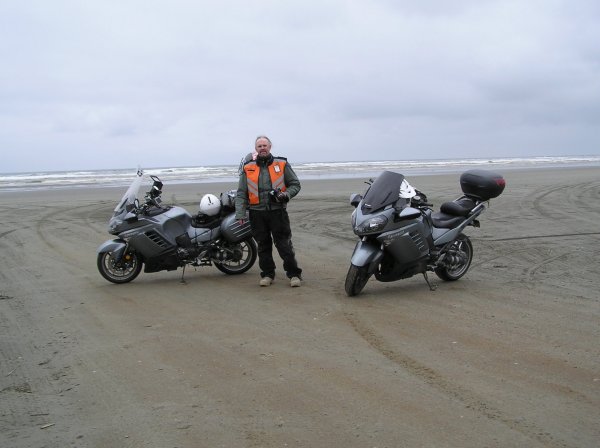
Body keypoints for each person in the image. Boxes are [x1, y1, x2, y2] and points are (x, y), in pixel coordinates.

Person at [235, 136, 303, 287]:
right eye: (259, 146)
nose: (262, 148)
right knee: (263, 246)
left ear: (270, 146)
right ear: (256, 149)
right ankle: (267, 275)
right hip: (256, 213)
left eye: (265, 145)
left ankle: (294, 275)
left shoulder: (282, 163)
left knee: (284, 245)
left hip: (277, 212)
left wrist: (286, 195)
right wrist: (240, 213)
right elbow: (241, 193)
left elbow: (295, 184)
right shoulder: (248, 167)